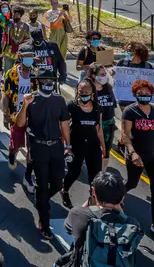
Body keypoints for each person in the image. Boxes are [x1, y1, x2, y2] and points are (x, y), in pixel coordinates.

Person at [15, 68, 71, 239]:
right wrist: (25, 105)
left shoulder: (59, 100)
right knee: (42, 181)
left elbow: (64, 124)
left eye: (51, 80)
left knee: (57, 182)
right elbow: (19, 123)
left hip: (55, 146)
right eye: (45, 80)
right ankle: (44, 223)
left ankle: (42, 200)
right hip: (38, 147)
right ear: (38, 81)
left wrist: (68, 145)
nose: (48, 83)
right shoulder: (31, 99)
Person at [55, 171, 140, 267]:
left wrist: (89, 200)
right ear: (122, 199)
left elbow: (67, 228)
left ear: (94, 192)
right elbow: (124, 219)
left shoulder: (78, 214)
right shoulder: (133, 224)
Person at [121, 79, 154, 239]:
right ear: (135, 94)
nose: (144, 96)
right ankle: (117, 196)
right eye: (141, 94)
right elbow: (125, 135)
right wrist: (133, 153)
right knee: (131, 183)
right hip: (136, 157)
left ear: (152, 95)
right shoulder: (130, 111)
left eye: (147, 94)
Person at [60, 79, 104, 209]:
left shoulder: (97, 108)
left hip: (93, 146)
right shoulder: (71, 106)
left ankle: (93, 200)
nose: (84, 94)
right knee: (74, 173)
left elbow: (99, 129)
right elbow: (64, 127)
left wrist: (103, 146)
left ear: (92, 94)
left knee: (95, 177)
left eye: (87, 92)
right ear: (77, 92)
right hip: (76, 145)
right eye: (81, 91)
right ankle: (65, 190)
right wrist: (66, 146)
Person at [115, 41, 154, 111]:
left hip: (141, 99)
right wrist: (113, 73)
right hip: (124, 98)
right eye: (127, 50)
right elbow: (116, 77)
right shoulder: (122, 63)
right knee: (127, 118)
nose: (127, 52)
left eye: (130, 51)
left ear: (138, 53)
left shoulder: (147, 66)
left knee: (138, 120)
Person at [88, 63, 117, 170]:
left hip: (109, 125)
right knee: (94, 151)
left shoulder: (108, 88)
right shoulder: (88, 89)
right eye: (102, 74)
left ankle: (102, 172)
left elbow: (113, 106)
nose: (105, 76)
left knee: (106, 151)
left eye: (105, 74)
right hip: (94, 126)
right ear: (94, 76)